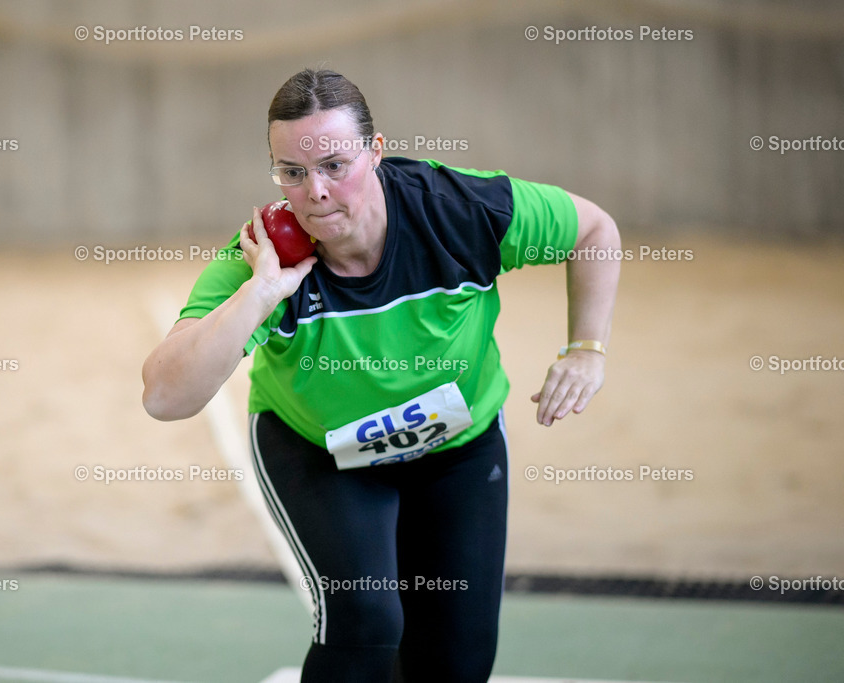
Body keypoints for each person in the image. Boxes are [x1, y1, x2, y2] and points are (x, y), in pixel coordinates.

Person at [142, 69, 620, 682]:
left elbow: (595, 230)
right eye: (292, 172)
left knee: (456, 662)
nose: (314, 192)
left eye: (335, 165)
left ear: (376, 151)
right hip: (319, 452)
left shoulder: (459, 210)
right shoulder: (262, 255)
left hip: (458, 450)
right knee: (365, 621)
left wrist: (587, 349)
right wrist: (260, 294)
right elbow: (164, 396)